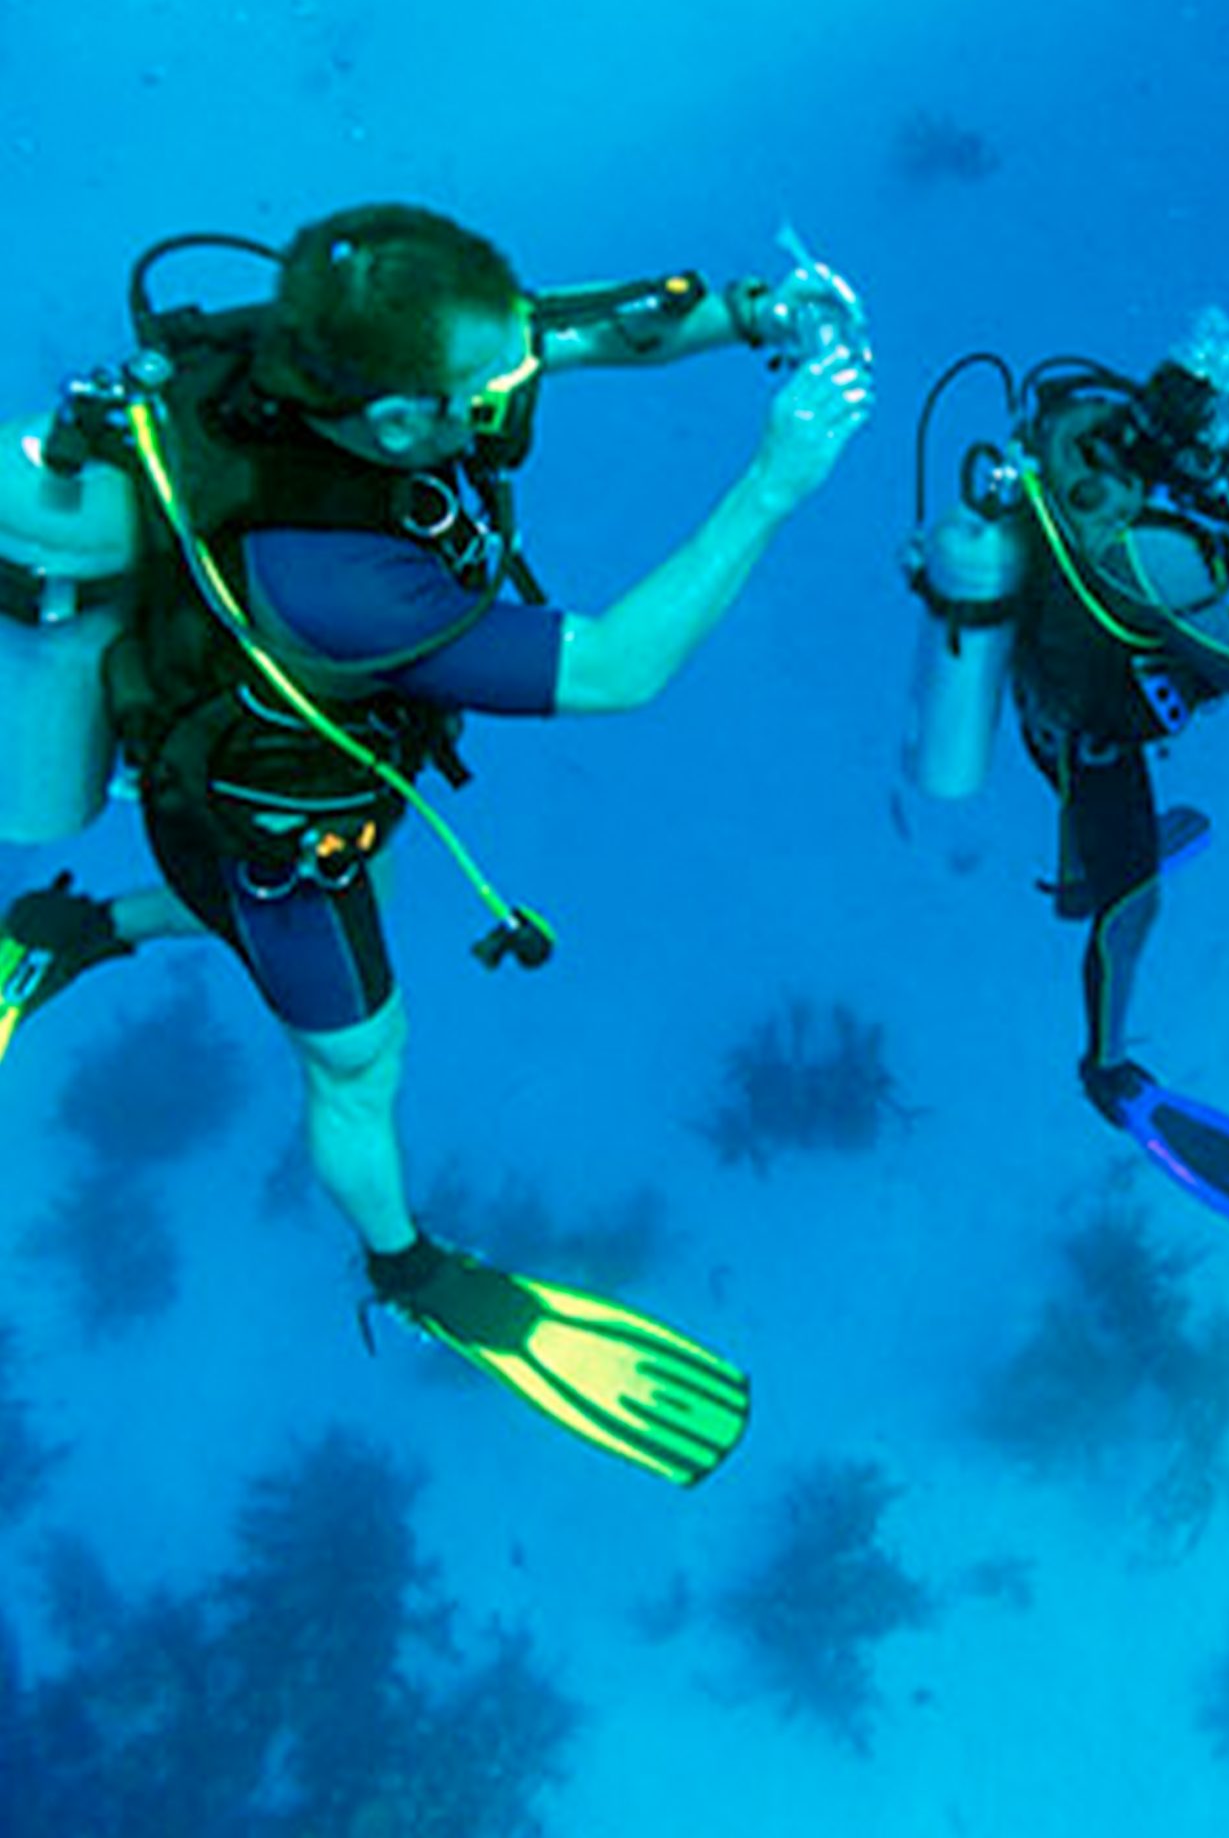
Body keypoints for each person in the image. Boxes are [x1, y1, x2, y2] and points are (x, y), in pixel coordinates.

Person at [0, 203, 872, 1479]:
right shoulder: (335, 583)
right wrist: (774, 481)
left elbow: (578, 328)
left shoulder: (322, 352)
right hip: (275, 836)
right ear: (404, 420)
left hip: (312, 777)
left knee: (365, 889)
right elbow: (620, 668)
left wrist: (750, 312)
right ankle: (405, 1264)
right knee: (359, 1057)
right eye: (488, 379)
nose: (517, 373)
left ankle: (76, 930)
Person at [909, 312, 1229, 1225]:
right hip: (1096, 740)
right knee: (1136, 907)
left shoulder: (1075, 423)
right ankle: (1106, 1071)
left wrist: (1228, 502)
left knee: (1081, 796)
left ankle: (1075, 879)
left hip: (1036, 694)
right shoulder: (1153, 555)